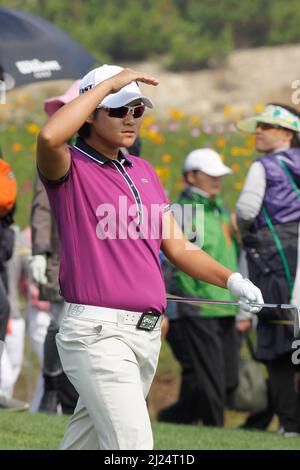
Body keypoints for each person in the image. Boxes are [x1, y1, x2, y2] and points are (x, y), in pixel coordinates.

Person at [36, 64, 263, 450]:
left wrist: (233, 281)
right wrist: (109, 84)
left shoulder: (143, 170)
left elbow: (178, 246)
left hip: (144, 336)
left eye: (138, 110)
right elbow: (49, 135)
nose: (131, 119)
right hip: (97, 334)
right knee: (134, 446)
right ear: (90, 113)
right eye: (119, 109)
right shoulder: (70, 165)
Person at [158, 149, 240, 426]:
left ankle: (172, 418)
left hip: (226, 305)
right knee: (213, 381)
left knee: (229, 380)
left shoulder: (219, 208)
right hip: (198, 306)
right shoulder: (182, 212)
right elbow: (169, 261)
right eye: (210, 175)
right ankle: (217, 433)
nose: (217, 181)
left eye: (219, 175)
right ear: (191, 176)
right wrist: (174, 304)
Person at [236, 103, 300, 436]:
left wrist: (242, 229)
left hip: (274, 259)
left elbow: (247, 209)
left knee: (278, 340)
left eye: (266, 126)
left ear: (287, 134)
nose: (258, 131)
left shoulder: (265, 166)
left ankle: (290, 423)